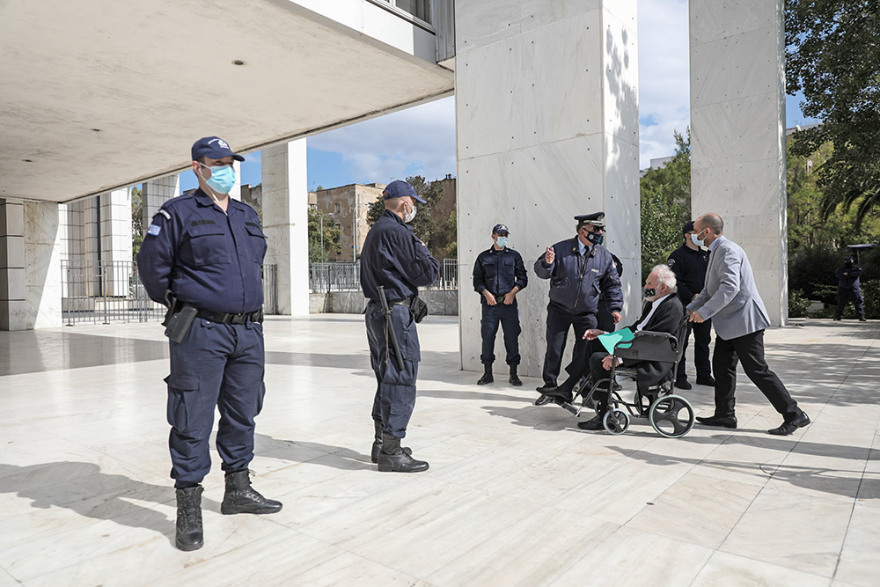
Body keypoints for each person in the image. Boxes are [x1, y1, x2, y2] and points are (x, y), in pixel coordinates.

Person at [137, 136, 281, 552]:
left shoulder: (245, 214)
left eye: (231, 163)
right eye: (218, 163)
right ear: (198, 168)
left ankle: (238, 489)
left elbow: (253, 262)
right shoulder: (177, 212)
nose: (227, 170)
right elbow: (152, 268)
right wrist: (183, 303)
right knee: (191, 416)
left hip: (248, 332)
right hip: (201, 330)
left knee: (243, 410)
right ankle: (189, 504)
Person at [688, 213, 810, 436]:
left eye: (695, 231)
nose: (693, 235)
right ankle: (725, 415)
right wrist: (687, 310)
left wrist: (704, 313)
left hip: (745, 320)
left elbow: (729, 288)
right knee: (722, 367)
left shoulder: (727, 250)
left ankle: (794, 414)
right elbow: (708, 291)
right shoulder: (715, 251)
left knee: (757, 370)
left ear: (707, 231)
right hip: (730, 323)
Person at [361, 180, 440, 473]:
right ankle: (391, 450)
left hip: (378, 311)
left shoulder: (376, 231)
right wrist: (424, 250)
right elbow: (426, 273)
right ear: (405, 203)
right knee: (401, 377)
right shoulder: (398, 231)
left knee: (387, 376)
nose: (415, 209)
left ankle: (382, 442)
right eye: (414, 203)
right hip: (393, 313)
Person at [543, 265, 683, 430]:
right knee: (594, 341)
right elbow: (637, 330)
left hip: (652, 358)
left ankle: (603, 414)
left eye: (649, 285)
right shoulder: (655, 303)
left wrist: (619, 358)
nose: (645, 288)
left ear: (663, 287)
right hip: (640, 347)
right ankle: (567, 388)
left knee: (597, 359)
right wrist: (605, 334)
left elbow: (653, 343)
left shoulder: (671, 307)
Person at [533, 212, 623, 405]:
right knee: (554, 349)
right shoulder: (560, 249)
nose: (599, 233)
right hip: (559, 310)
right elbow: (541, 271)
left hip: (587, 313)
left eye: (601, 230)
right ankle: (549, 388)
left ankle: (584, 391)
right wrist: (547, 263)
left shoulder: (604, 256)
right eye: (595, 230)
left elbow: (613, 284)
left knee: (585, 353)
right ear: (583, 231)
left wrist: (615, 307)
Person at [472, 223, 528, 386]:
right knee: (488, 338)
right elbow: (477, 280)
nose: (503, 238)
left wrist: (512, 293)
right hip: (489, 305)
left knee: (511, 337)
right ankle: (487, 373)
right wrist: (486, 294)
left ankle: (514, 374)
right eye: (500, 235)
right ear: (493, 236)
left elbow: (523, 278)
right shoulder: (483, 257)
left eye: (505, 235)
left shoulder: (514, 256)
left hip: (509, 304)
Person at [667, 220, 715, 390]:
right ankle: (679, 376)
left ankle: (704, 375)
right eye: (697, 232)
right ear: (687, 235)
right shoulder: (677, 256)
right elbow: (673, 281)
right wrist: (691, 296)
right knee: (682, 342)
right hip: (685, 306)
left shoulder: (706, 255)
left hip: (703, 307)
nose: (701, 235)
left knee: (703, 340)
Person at [596, 253, 623, 333]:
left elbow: (616, 274)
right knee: (584, 340)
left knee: (605, 337)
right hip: (589, 304)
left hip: (605, 304)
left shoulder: (609, 257)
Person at [833, 256, 866, 321]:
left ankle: (861, 316)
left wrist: (848, 274)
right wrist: (847, 275)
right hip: (843, 288)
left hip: (853, 288)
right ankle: (837, 316)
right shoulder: (841, 269)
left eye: (849, 261)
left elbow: (858, 273)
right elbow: (838, 274)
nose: (848, 262)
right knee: (841, 302)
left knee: (858, 302)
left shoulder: (856, 268)